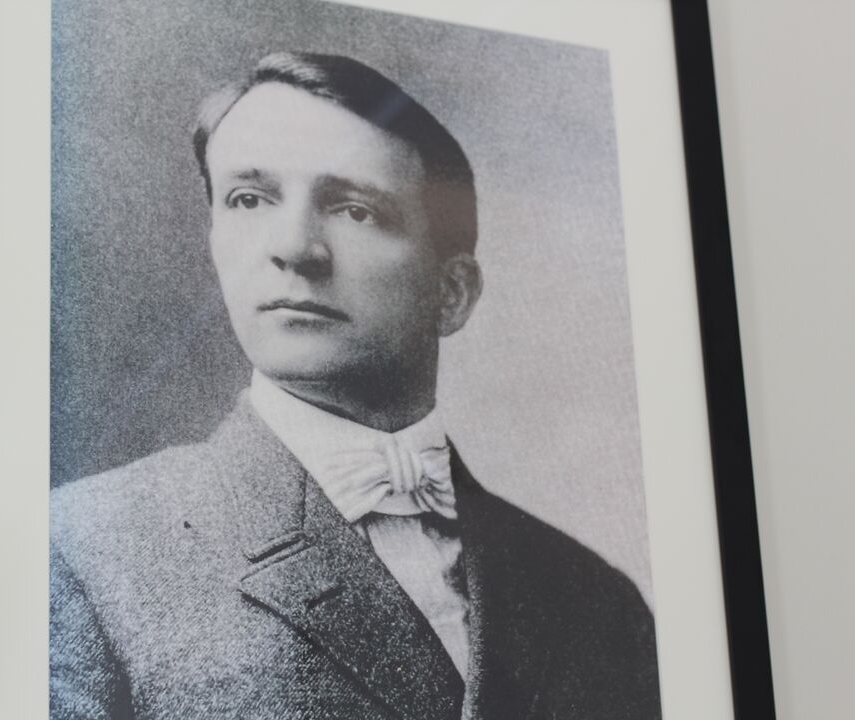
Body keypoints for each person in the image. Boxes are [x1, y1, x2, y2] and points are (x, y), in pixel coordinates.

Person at [50, 52, 661, 720]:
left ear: (451, 293)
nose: (294, 249)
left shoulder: (592, 598)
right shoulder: (88, 548)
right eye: (249, 199)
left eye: (354, 209)